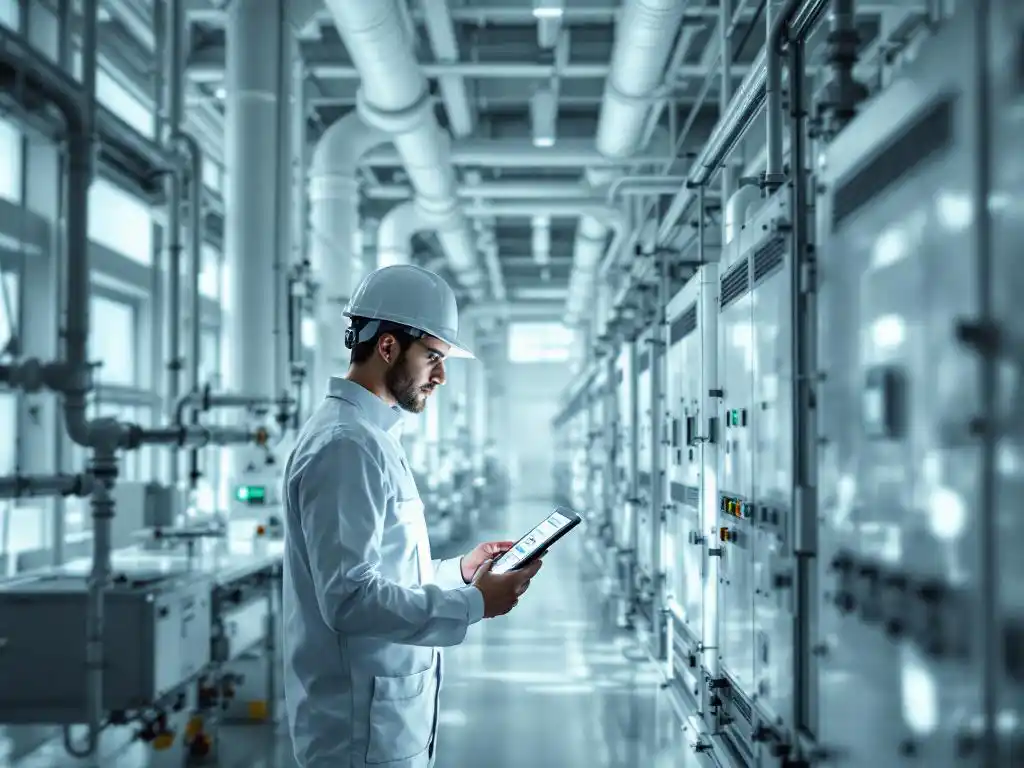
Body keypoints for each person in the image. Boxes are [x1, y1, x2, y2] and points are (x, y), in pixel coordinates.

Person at [282, 264, 542, 768]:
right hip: (357, 732)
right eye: (433, 357)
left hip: (383, 721)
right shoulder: (345, 445)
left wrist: (460, 572)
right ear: (387, 347)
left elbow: (385, 570)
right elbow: (349, 599)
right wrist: (472, 604)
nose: (441, 376)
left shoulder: (372, 436)